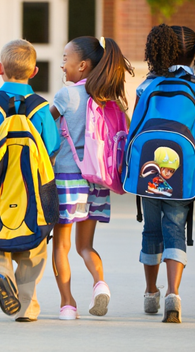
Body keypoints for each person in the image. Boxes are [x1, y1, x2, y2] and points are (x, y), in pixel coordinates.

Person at [136, 24, 195, 322]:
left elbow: (137, 127)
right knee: (175, 229)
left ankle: (150, 293)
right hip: (183, 171)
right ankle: (173, 293)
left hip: (148, 171)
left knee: (151, 230)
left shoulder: (147, 86)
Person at [49, 36, 133, 320]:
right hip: (98, 180)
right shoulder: (109, 99)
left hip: (68, 178)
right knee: (85, 246)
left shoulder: (67, 95)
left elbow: (46, 130)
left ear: (82, 65)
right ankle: (100, 283)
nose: (62, 65)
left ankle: (67, 305)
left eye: (65, 59)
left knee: (61, 244)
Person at [0, 39, 60, 322]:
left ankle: (1, 275)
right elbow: (51, 149)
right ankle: (26, 306)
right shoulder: (41, 109)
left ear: (0, 69)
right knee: (33, 247)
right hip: (34, 192)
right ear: (34, 71)